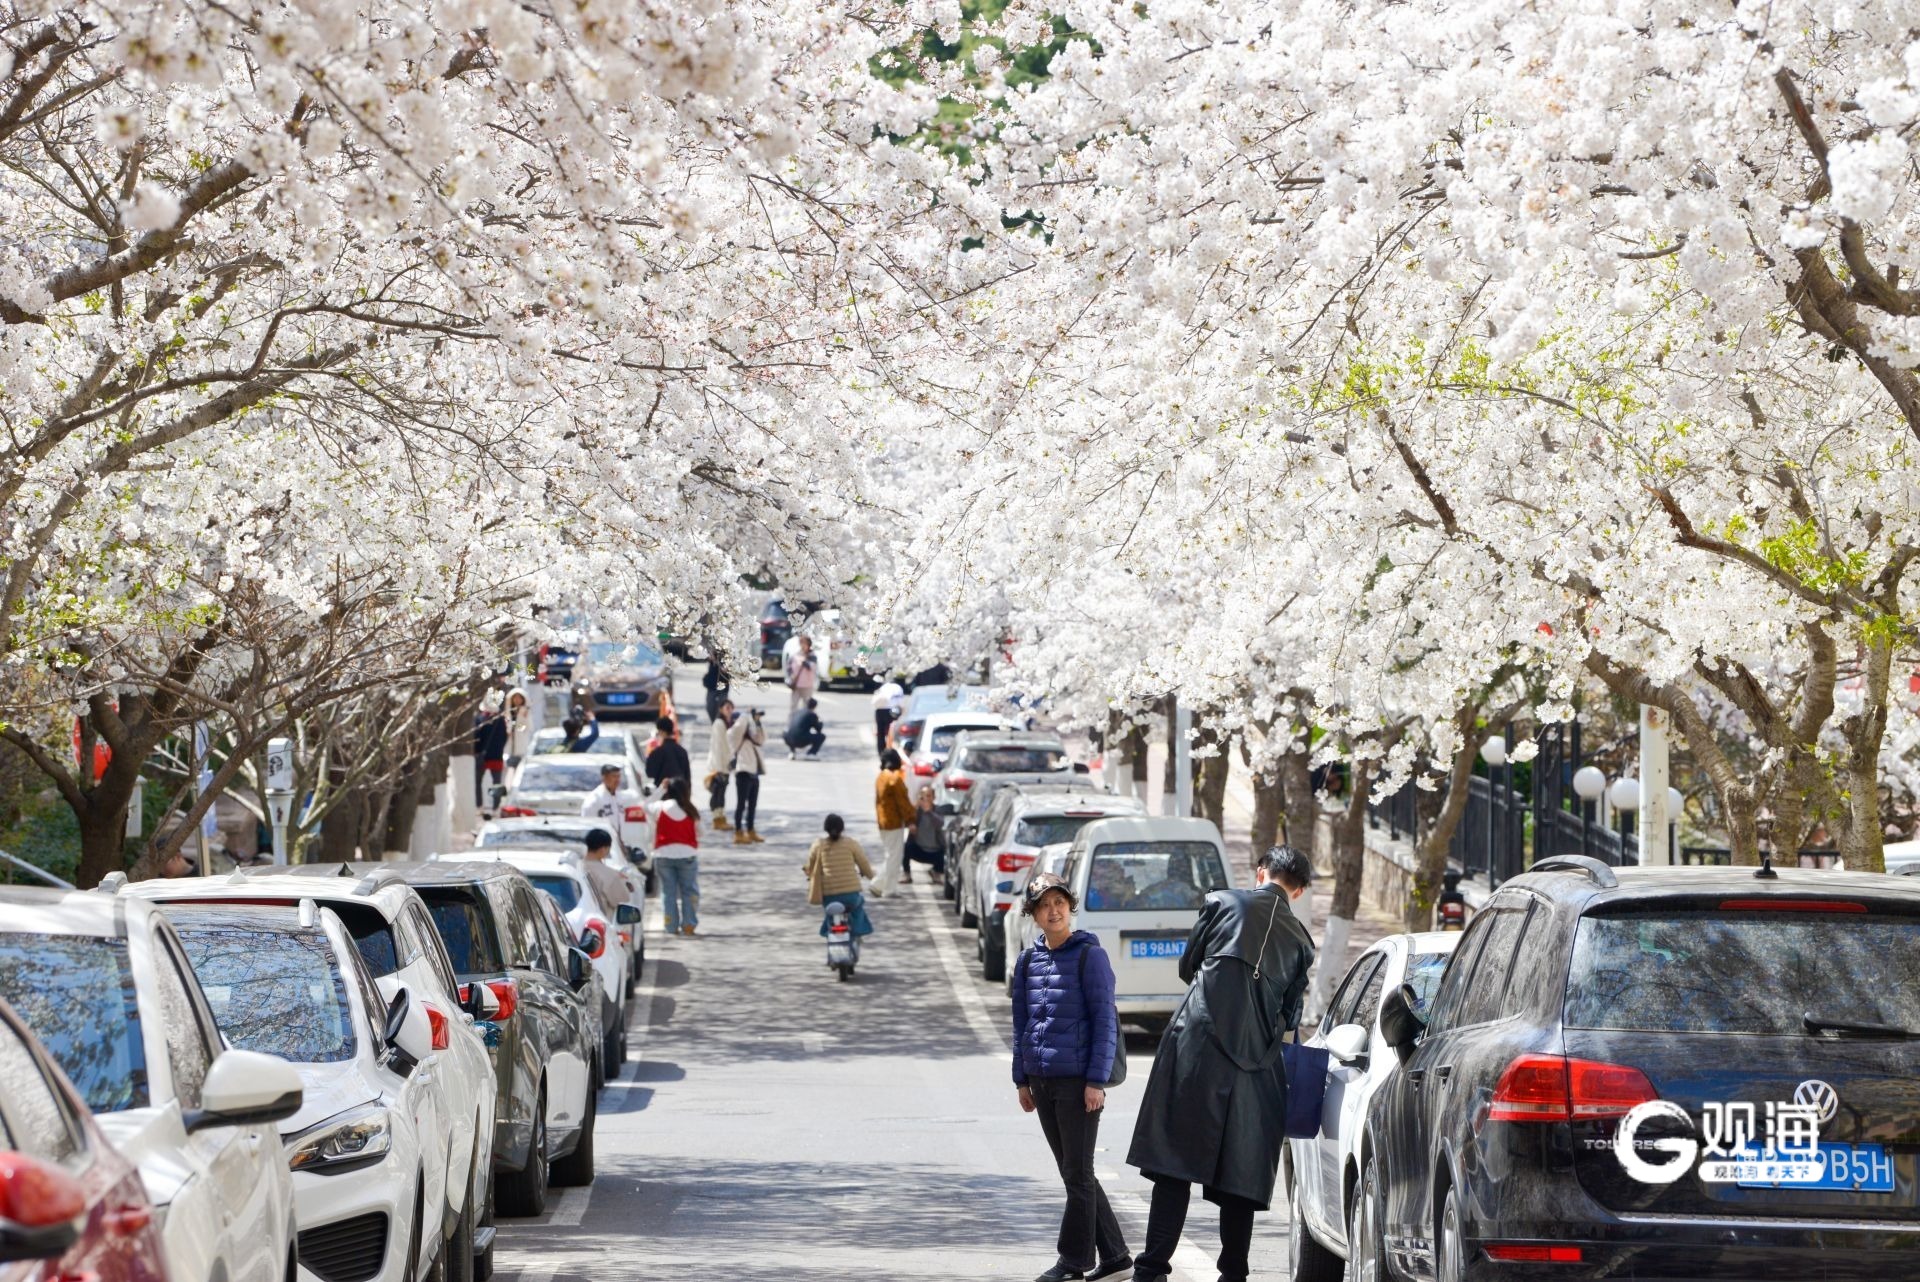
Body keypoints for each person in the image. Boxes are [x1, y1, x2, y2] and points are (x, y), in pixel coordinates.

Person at [1126, 845, 1316, 1282]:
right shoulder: (1301, 942)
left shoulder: (1222, 902)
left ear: (1261, 872)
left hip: (1195, 1048)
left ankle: (1150, 1270)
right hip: (1254, 1067)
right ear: (1299, 891)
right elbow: (1290, 1016)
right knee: (1239, 1177)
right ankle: (1233, 1274)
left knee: (1173, 1166)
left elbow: (1187, 966)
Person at [1012, 873, 1131, 1282]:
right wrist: (1021, 1080)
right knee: (1074, 1172)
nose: (1054, 911)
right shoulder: (1027, 962)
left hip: (1078, 1083)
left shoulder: (1089, 957)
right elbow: (1021, 1023)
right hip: (1041, 1080)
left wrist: (1096, 1081)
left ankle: (1073, 1263)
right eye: (1045, 905)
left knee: (1077, 1174)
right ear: (1034, 915)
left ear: (1070, 907)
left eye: (1059, 903)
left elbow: (1105, 1023)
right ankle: (1116, 1258)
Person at [803, 813, 874, 944]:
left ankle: (829, 932)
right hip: (851, 896)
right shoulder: (851, 844)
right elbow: (864, 865)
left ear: (826, 829)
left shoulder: (818, 845)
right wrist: (873, 878)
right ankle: (857, 933)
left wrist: (808, 873)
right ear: (842, 828)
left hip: (829, 896)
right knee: (858, 907)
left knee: (830, 913)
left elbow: (810, 867)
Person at [648, 777, 701, 936]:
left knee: (668, 892)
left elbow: (645, 805)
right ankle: (689, 924)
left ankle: (671, 925)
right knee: (689, 891)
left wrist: (660, 790)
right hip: (687, 855)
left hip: (664, 855)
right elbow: (701, 831)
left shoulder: (660, 807)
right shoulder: (691, 810)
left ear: (669, 791)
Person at [580, 763, 643, 858]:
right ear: (604, 778)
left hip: (618, 845)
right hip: (601, 847)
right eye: (614, 776)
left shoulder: (619, 796)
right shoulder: (594, 800)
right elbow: (586, 825)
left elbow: (642, 802)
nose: (617, 780)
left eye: (618, 776)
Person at [873, 749, 913, 893]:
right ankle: (883, 886)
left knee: (890, 854)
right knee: (894, 856)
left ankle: (883, 885)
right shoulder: (894, 779)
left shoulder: (881, 777)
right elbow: (903, 802)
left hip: (883, 821)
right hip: (894, 822)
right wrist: (911, 819)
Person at [728, 707, 767, 844]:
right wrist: (746, 714)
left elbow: (762, 739)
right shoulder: (733, 735)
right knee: (741, 805)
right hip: (743, 772)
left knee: (752, 805)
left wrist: (757, 722)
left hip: (754, 773)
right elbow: (738, 728)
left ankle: (751, 830)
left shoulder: (751, 735)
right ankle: (738, 832)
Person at [581, 827, 636, 923]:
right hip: (601, 924)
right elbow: (623, 901)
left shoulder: (574, 868)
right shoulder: (609, 875)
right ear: (603, 849)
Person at [473, 695, 508, 812]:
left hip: (482, 756)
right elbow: (504, 737)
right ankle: (496, 807)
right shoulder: (500, 720)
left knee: (478, 782)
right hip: (497, 756)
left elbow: (476, 738)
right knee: (496, 782)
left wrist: (476, 751)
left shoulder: (479, 719)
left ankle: (479, 805)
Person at [904, 784, 946, 878]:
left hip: (934, 851)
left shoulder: (937, 810)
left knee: (943, 854)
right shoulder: (917, 811)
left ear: (933, 798)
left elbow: (940, 823)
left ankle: (936, 873)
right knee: (906, 847)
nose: (926, 799)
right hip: (919, 849)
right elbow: (906, 820)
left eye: (928, 796)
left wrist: (929, 812)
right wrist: (911, 823)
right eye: (923, 796)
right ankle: (907, 875)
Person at [705, 699, 735, 831]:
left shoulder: (729, 723)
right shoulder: (719, 723)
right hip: (719, 765)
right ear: (721, 709)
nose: (729, 710)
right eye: (727, 708)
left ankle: (721, 818)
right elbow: (717, 747)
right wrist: (718, 769)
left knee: (722, 792)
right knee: (717, 792)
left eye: (731, 708)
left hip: (725, 765)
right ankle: (717, 819)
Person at [645, 715, 692, 790]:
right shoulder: (682, 751)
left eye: (658, 732)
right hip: (681, 793)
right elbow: (687, 777)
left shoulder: (657, 752)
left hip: (663, 793)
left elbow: (650, 773)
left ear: (661, 732)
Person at [870, 678, 905, 759]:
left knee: (880, 734)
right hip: (893, 711)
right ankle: (891, 751)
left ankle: (881, 753)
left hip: (880, 711)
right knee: (892, 732)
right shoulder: (898, 688)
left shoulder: (883, 687)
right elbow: (901, 703)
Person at [504, 689, 533, 776]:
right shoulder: (508, 711)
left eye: (519, 698)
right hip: (509, 747)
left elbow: (529, 727)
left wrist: (518, 725)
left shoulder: (525, 711)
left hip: (521, 746)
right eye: (515, 697)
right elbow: (506, 725)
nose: (517, 700)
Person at [786, 636, 819, 711]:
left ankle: (807, 718)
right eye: (801, 643)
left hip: (807, 685)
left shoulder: (812, 656)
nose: (803, 646)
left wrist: (805, 662)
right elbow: (789, 667)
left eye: (805, 644)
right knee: (793, 706)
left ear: (808, 645)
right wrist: (791, 675)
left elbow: (812, 667)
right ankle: (793, 718)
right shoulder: (795, 655)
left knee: (807, 706)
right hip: (796, 684)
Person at [703, 656, 731, 722]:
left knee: (722, 707)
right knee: (710, 707)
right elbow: (705, 655)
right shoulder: (713, 651)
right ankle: (715, 723)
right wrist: (711, 657)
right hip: (712, 683)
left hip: (724, 684)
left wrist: (727, 667)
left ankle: (719, 724)